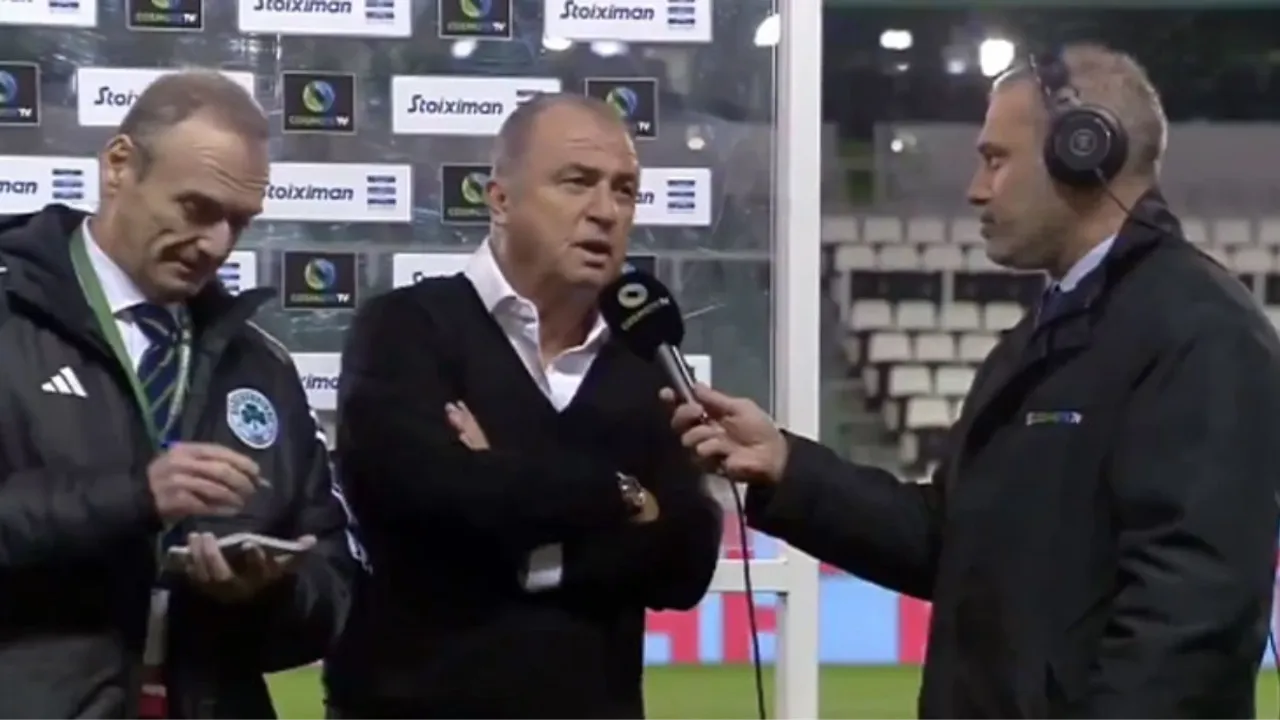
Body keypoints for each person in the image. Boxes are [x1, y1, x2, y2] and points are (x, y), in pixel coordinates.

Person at [666, 44, 1280, 720]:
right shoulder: (1043, 334)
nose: (975, 189)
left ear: (1083, 152)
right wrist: (787, 467)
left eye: (995, 159)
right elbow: (951, 540)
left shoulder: (1203, 332)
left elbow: (1189, 625)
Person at [325, 93, 723, 720]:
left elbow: (686, 559)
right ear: (500, 199)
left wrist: (503, 489)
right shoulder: (404, 329)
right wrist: (623, 496)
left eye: (624, 190)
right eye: (577, 182)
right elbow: (424, 503)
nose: (605, 211)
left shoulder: (647, 362)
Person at [0, 70, 356, 719]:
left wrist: (266, 593)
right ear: (119, 166)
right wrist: (135, 497)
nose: (218, 244)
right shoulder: (9, 318)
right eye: (197, 209)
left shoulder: (261, 367)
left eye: (239, 222)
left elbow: (331, 589)